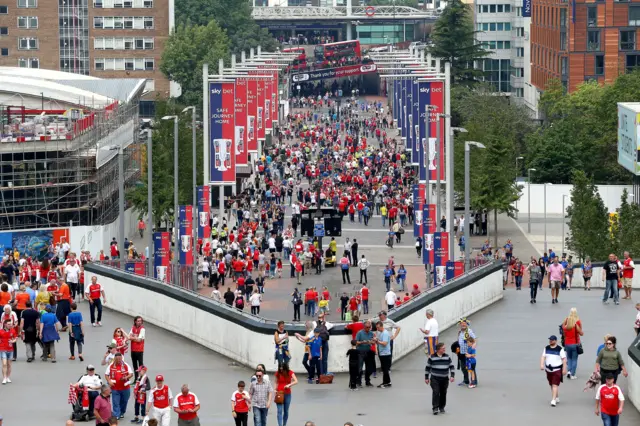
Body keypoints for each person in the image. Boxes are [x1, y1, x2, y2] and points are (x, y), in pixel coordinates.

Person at [424, 342, 455, 416]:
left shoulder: (447, 357)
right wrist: (426, 378)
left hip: (444, 379)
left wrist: (452, 376)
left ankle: (441, 407)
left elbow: (451, 367)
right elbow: (427, 368)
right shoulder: (432, 357)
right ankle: (435, 408)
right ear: (438, 349)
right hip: (435, 379)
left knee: (443, 393)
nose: (444, 349)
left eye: (444, 348)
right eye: (443, 348)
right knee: (436, 392)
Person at [540, 335, 567, 407]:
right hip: (548, 370)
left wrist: (564, 369)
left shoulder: (560, 349)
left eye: (552, 340)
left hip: (557, 369)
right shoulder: (546, 348)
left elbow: (564, 359)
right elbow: (543, 357)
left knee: (555, 385)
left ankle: (553, 400)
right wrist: (542, 365)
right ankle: (556, 397)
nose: (550, 341)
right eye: (550, 340)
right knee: (551, 384)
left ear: (555, 341)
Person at [105, 352, 133, 419]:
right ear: (114, 359)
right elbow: (106, 375)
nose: (118, 360)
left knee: (125, 400)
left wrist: (126, 377)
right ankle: (116, 414)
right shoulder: (111, 366)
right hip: (115, 388)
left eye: (119, 359)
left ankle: (122, 412)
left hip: (125, 387)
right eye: (117, 359)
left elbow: (131, 374)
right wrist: (109, 381)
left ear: (121, 358)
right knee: (115, 402)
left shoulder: (125, 365)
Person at [561, 307, 583, 380]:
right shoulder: (578, 322)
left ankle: (569, 371)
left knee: (569, 358)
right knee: (574, 359)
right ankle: (572, 374)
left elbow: (563, 328)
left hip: (567, 343)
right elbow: (581, 333)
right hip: (575, 343)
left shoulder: (566, 320)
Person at [355, 320, 375, 388]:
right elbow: (356, 342)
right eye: (367, 327)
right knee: (359, 368)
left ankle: (368, 381)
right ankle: (358, 381)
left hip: (368, 352)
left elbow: (373, 342)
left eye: (369, 327)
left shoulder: (371, 333)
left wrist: (372, 342)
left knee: (369, 368)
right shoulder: (359, 333)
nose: (368, 329)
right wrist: (363, 342)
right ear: (364, 327)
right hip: (360, 352)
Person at [456, 319, 476, 386]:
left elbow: (475, 339)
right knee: (463, 367)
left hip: (468, 353)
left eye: (464, 324)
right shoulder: (460, 332)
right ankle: (466, 380)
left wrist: (473, 346)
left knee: (471, 367)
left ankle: (474, 381)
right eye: (462, 324)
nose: (463, 325)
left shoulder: (469, 331)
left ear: (467, 324)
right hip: (462, 352)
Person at [374, 321, 391, 388]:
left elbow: (384, 343)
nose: (377, 329)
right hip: (383, 353)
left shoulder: (385, 333)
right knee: (384, 368)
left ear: (381, 326)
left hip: (385, 354)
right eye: (376, 327)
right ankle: (388, 381)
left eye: (378, 327)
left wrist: (377, 341)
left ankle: (385, 382)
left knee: (385, 369)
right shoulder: (381, 333)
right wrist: (377, 339)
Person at [0, 319, 16, 384]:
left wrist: (13, 341)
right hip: (3, 349)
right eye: (9, 324)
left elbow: (15, 338)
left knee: (9, 365)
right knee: (4, 364)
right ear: (5, 324)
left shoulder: (13, 330)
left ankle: (7, 377)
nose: (10, 325)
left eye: (11, 324)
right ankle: (4, 378)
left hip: (10, 349)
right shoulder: (1, 331)